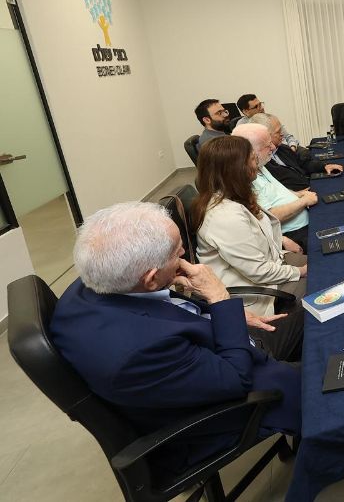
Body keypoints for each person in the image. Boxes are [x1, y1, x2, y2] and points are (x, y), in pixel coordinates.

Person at [49, 201, 300, 481]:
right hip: (233, 392)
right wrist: (219, 299)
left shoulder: (91, 284)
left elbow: (163, 313)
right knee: (326, 376)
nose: (184, 254)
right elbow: (236, 378)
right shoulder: (138, 352)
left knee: (309, 315)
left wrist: (208, 306)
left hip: (210, 347)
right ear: (150, 278)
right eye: (177, 252)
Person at [192, 135, 307, 362]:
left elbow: (257, 244)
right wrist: (301, 271)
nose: (257, 164)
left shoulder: (235, 197)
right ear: (236, 169)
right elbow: (258, 271)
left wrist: (283, 244)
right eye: (252, 159)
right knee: (322, 286)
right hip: (255, 293)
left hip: (268, 271)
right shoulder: (224, 215)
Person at [231, 123, 316, 251]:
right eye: (267, 145)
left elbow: (276, 191)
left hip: (305, 221)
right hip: (295, 234)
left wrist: (298, 194)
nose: (273, 147)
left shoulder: (261, 164)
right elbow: (270, 217)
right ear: (251, 151)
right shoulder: (248, 178)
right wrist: (304, 201)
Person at [251, 113, 342, 191]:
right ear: (265, 136)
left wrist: (324, 166)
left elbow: (303, 164)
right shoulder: (261, 164)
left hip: (308, 189)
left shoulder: (282, 148)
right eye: (278, 132)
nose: (282, 134)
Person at [235, 93, 300, 149]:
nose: (262, 108)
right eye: (256, 106)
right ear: (246, 111)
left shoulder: (270, 119)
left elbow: (288, 137)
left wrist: (293, 146)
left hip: (285, 150)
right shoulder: (242, 127)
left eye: (260, 104)